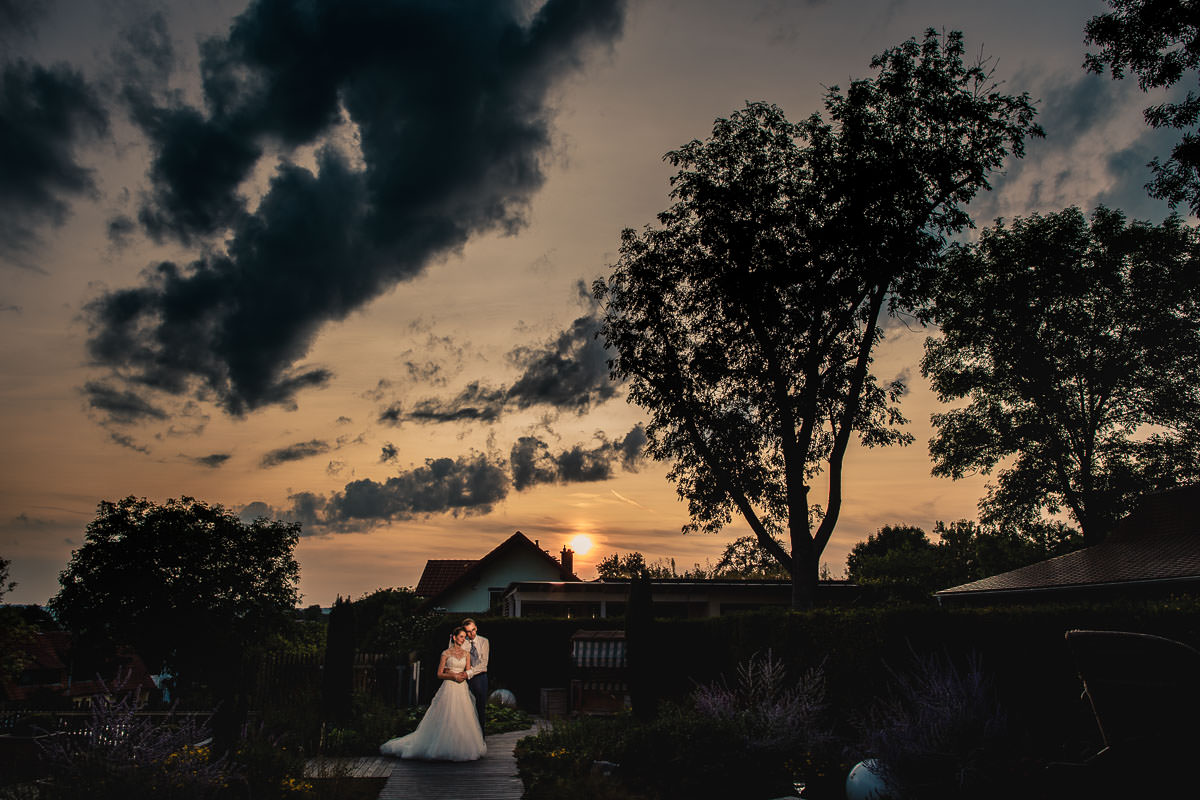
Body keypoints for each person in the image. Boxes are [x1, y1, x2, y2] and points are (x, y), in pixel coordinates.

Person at [379, 627, 486, 761]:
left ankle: (462, 745)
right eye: (461, 636)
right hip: (449, 686)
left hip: (462, 688)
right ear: (454, 637)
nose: (463, 639)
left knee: (462, 715)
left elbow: (469, 671)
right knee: (447, 715)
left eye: (464, 637)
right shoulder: (445, 653)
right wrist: (453, 676)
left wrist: (464, 675)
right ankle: (442, 745)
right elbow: (439, 674)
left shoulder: (466, 654)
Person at [462, 618, 490, 729]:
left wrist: (469, 672)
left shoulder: (484, 641)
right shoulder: (462, 643)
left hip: (480, 678)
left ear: (476, 628)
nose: (471, 633)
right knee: (467, 709)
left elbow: (484, 664)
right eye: (468, 631)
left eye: (473, 630)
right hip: (465, 679)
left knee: (480, 709)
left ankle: (481, 738)